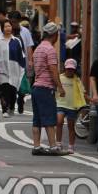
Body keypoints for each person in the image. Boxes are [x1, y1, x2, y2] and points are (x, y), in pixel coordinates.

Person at [30, 21, 65, 155]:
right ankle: (53, 147)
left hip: (36, 87)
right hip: (46, 88)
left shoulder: (38, 48)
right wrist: (60, 87)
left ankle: (36, 146)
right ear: (54, 35)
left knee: (37, 119)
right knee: (49, 118)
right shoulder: (50, 49)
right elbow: (53, 70)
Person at [0, 18, 26, 118]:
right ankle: (4, 109)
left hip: (15, 70)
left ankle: (11, 107)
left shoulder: (17, 41)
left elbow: (21, 56)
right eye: (5, 26)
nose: (8, 28)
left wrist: (23, 67)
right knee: (5, 89)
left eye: (9, 26)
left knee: (12, 92)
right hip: (2, 70)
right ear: (2, 28)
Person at [56, 57, 86, 154]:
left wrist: (90, 99)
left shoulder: (77, 80)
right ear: (65, 68)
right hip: (60, 104)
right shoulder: (59, 77)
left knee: (71, 126)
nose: (70, 71)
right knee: (59, 122)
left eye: (72, 69)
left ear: (75, 70)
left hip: (72, 106)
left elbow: (82, 92)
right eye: (68, 69)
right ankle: (58, 143)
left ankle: (71, 145)